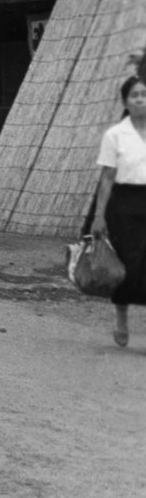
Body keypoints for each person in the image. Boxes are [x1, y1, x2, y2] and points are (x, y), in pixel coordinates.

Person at [93, 74, 146, 347]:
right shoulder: (115, 135)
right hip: (124, 204)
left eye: (144, 94)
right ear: (126, 101)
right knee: (129, 267)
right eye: (135, 95)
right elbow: (107, 177)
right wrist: (99, 216)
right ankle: (122, 319)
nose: (141, 99)